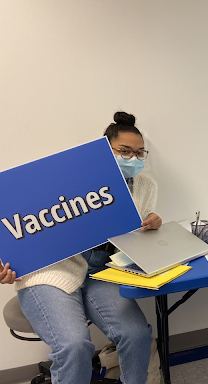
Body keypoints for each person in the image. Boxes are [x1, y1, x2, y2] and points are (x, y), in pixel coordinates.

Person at [0, 111, 162, 383]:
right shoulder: (67, 178)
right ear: (103, 150)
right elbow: (19, 220)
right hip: (52, 270)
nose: (132, 159)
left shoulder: (145, 186)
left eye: (139, 153)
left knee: (136, 334)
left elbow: (133, 235)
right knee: (75, 347)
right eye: (124, 151)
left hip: (104, 271)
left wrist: (152, 225)